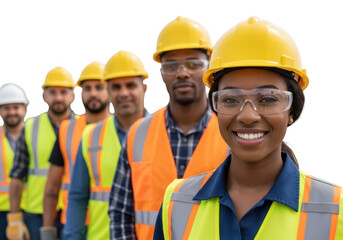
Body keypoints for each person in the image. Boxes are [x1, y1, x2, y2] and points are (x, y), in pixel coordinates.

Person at [155, 16, 343, 240]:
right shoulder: (176, 202)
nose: (247, 116)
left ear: (292, 110)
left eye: (269, 99)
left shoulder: (335, 210)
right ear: (215, 108)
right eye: (230, 100)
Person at [108, 16, 228, 240]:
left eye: (193, 63)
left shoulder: (230, 133)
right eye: (171, 65)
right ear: (162, 72)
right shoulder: (138, 134)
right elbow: (120, 213)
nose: (182, 72)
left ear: (209, 67)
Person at [64, 50, 149, 240]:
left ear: (144, 89)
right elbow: (77, 197)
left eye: (130, 85)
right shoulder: (90, 135)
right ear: (109, 92)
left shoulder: (163, 131)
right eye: (116, 87)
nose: (124, 93)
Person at [40, 62, 111, 239]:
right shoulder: (67, 130)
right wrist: (48, 230)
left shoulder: (123, 129)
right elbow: (52, 187)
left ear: (109, 89)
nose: (93, 93)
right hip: (73, 223)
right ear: (80, 93)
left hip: (110, 223)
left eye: (99, 87)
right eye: (87, 88)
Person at [7, 67, 76, 240]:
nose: (58, 97)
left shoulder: (84, 128)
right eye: (52, 92)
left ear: (72, 95)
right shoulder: (30, 127)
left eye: (63, 92)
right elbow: (17, 176)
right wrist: (14, 219)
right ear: (44, 96)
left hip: (72, 210)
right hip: (36, 212)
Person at [0, 83, 29, 240]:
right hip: (1, 212)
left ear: (25, 108)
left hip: (32, 208)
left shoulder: (34, 136)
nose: (11, 112)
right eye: (6, 108)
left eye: (16, 107)